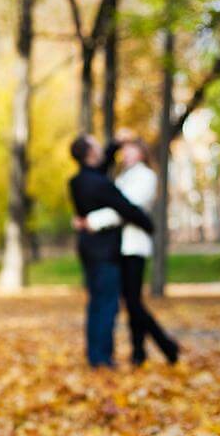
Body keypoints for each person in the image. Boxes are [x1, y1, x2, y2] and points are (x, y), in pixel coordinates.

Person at [74, 137, 179, 365]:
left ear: (142, 153)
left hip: (133, 246)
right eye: (125, 151)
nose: (127, 155)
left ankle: (162, 347)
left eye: (132, 150)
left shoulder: (145, 176)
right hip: (119, 246)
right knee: (131, 302)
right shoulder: (122, 177)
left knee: (133, 302)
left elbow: (125, 208)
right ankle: (140, 352)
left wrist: (91, 220)